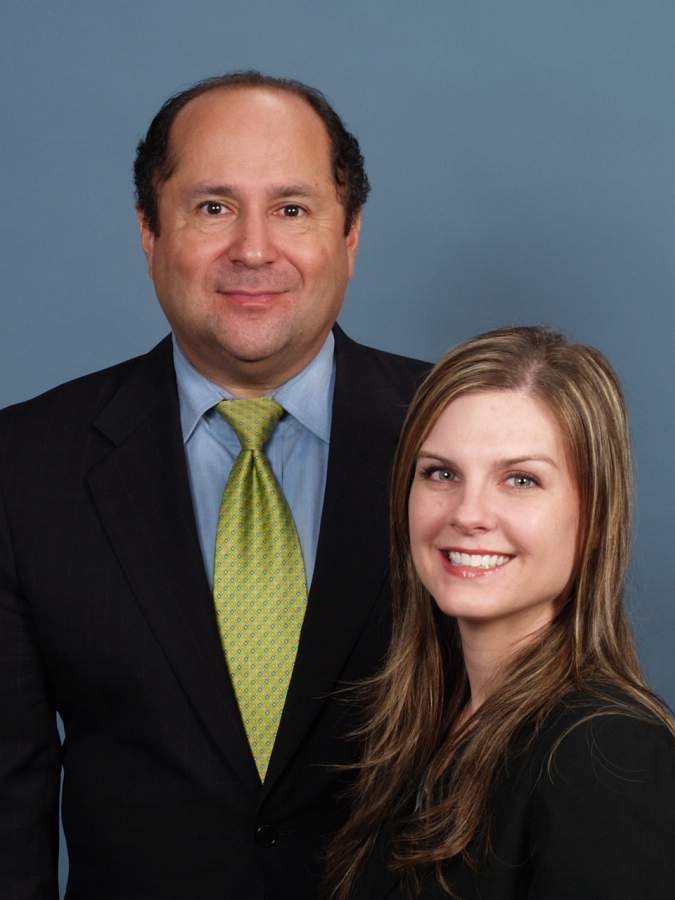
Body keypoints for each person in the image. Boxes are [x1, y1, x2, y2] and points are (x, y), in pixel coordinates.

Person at [0, 72, 428, 899]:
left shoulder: (458, 438)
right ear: (148, 231)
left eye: (292, 208)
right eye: (212, 207)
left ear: (349, 235)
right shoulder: (24, 467)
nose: (254, 249)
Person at [328, 326, 675, 899]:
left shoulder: (606, 750)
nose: (468, 514)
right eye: (441, 473)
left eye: (520, 479)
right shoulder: (427, 726)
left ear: (594, 516)